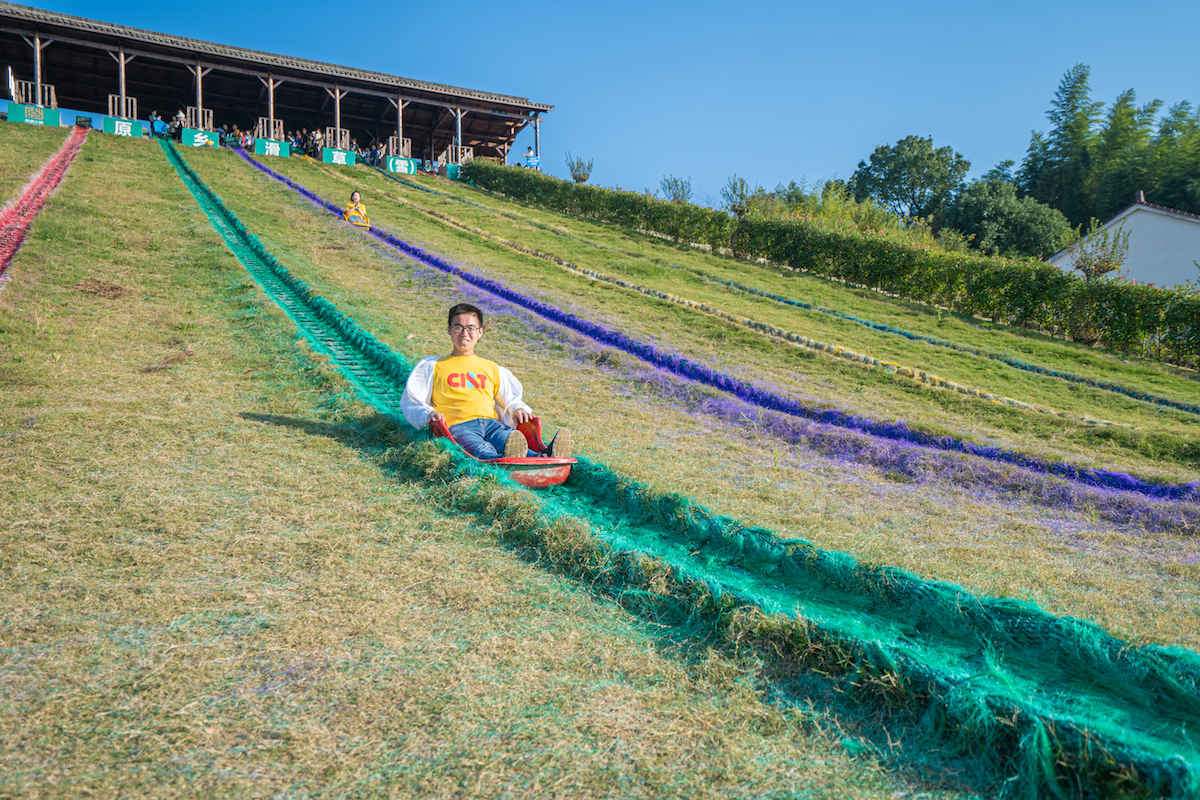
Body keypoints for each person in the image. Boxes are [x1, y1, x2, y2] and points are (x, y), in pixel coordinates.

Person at [401, 303, 572, 460]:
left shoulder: (492, 368)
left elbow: (510, 399)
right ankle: (500, 461)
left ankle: (544, 456)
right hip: (459, 427)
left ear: (480, 332)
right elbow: (412, 399)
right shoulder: (433, 365)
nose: (464, 334)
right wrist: (428, 414)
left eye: (470, 328)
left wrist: (518, 408)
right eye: (458, 327)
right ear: (449, 330)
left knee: (509, 441)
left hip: (492, 424)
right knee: (481, 449)